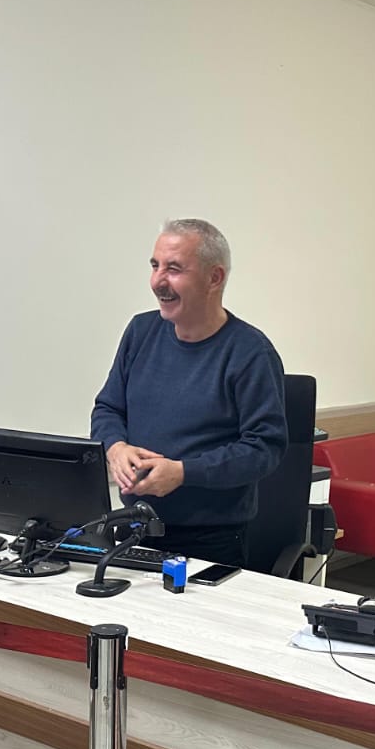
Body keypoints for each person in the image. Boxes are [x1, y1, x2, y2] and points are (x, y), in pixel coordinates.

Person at [90, 219, 288, 567]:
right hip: (135, 527)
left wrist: (183, 473)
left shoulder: (250, 353)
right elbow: (108, 408)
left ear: (214, 278)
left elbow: (264, 448)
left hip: (211, 541)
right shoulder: (140, 331)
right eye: (155, 266)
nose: (158, 281)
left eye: (174, 269)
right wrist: (115, 447)